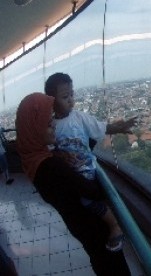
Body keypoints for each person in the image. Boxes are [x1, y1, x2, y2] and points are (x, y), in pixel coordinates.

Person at [15, 93, 131, 276]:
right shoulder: (50, 166)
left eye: (51, 119)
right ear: (33, 128)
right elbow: (92, 191)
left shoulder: (35, 159)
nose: (53, 124)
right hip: (93, 227)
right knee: (112, 266)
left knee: (99, 262)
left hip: (80, 227)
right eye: (47, 123)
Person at [44, 73, 137, 251]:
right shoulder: (51, 127)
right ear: (51, 100)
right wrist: (60, 156)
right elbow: (50, 150)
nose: (71, 100)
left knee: (86, 201)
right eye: (65, 97)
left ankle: (114, 225)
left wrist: (119, 128)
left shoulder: (79, 117)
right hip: (69, 173)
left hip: (85, 169)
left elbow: (101, 127)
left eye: (72, 94)